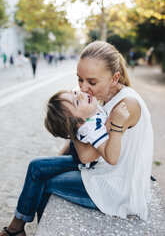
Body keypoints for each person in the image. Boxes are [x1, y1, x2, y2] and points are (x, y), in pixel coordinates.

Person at [0, 41, 153, 236]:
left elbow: (87, 156)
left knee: (46, 185)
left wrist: (73, 122)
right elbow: (86, 139)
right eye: (80, 79)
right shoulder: (101, 93)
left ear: (114, 79)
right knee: (38, 166)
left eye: (91, 82)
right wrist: (58, 160)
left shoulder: (125, 105)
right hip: (100, 168)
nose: (83, 87)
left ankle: (27, 231)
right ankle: (16, 229)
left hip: (115, 184)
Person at [45, 90, 129, 168]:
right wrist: (117, 124)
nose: (81, 94)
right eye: (77, 102)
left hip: (77, 148)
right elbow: (112, 158)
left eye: (75, 93)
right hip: (84, 161)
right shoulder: (91, 129)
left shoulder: (90, 112)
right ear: (79, 122)